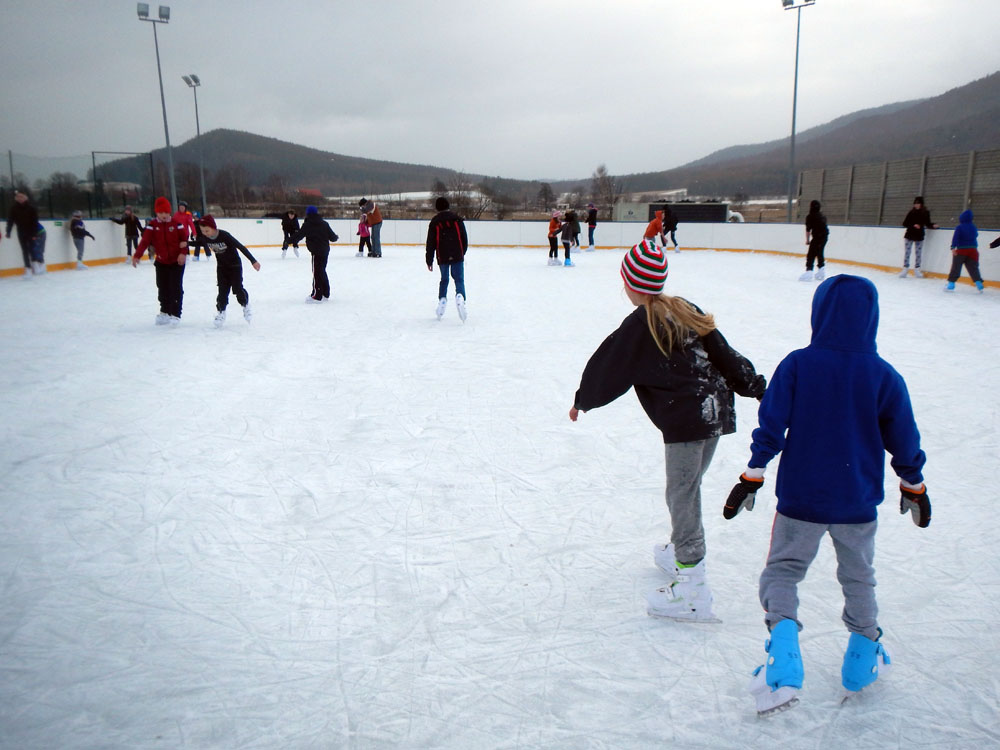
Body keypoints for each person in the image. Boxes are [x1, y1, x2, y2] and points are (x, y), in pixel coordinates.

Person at [722, 274, 928, 717]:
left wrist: (753, 472)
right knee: (859, 577)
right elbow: (905, 438)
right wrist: (914, 483)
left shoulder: (798, 364)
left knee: (783, 572)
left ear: (819, 314)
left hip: (802, 498)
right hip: (857, 500)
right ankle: (862, 656)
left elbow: (771, 425)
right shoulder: (884, 375)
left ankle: (783, 652)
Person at [569, 239, 766, 622]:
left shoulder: (642, 323)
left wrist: (584, 400)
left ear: (632, 284)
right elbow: (725, 354)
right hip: (714, 412)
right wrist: (754, 386)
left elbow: (610, 366)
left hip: (688, 420)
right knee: (687, 488)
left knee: (682, 493)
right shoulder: (685, 308)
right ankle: (681, 552)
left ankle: (691, 586)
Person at [132, 196, 189, 325]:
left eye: (166, 212)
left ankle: (175, 313)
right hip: (161, 262)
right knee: (162, 287)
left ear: (169, 212)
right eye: (161, 212)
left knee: (175, 287)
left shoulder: (177, 225)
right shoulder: (152, 226)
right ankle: (165, 311)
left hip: (176, 262)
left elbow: (184, 241)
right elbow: (145, 241)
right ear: (156, 212)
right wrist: (137, 255)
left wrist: (182, 254)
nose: (164, 215)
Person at [196, 215, 260, 327]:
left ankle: (245, 305)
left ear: (213, 228)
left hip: (235, 266)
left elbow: (241, 247)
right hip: (221, 268)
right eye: (203, 231)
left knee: (237, 289)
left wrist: (253, 261)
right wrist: (185, 244)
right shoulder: (205, 237)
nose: (205, 233)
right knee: (222, 292)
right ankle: (221, 312)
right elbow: (199, 243)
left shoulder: (224, 235)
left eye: (207, 230)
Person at [425, 196, 469, 321]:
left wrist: (429, 259)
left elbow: (430, 243)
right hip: (457, 254)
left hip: (442, 254)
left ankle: (442, 301)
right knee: (459, 279)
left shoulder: (435, 222)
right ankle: (460, 297)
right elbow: (464, 238)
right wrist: (462, 253)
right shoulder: (457, 219)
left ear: (437, 208)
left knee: (444, 280)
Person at [288, 205, 339, 302]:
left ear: (308, 214)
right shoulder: (324, 223)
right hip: (325, 251)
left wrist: (288, 241)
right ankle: (325, 293)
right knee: (322, 270)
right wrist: (336, 237)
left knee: (316, 272)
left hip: (316, 252)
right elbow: (332, 237)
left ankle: (317, 295)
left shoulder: (308, 224)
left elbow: (299, 235)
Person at [945, 209, 984, 293]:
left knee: (956, 267)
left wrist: (953, 247)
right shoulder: (973, 227)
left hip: (961, 250)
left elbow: (956, 238)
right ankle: (978, 283)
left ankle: (951, 284)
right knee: (973, 268)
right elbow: (976, 235)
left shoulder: (959, 227)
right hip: (973, 250)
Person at [898, 196, 938, 278]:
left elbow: (927, 223)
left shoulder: (925, 213)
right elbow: (904, 223)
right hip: (909, 235)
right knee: (907, 253)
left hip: (919, 235)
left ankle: (917, 270)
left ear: (921, 204)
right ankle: (905, 269)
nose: (916, 205)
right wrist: (913, 225)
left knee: (918, 254)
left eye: (918, 203)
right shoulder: (911, 212)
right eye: (915, 203)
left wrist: (933, 225)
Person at [5, 190, 40, 277]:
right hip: (21, 231)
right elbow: (10, 220)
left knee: (32, 249)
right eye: (18, 197)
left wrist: (35, 234)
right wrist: (8, 231)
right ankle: (27, 268)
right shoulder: (13, 208)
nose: (19, 198)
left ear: (25, 198)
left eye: (21, 196)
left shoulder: (31, 208)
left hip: (31, 231)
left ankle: (35, 263)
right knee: (24, 250)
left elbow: (35, 222)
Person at [801, 200, 828, 281]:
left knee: (811, 254)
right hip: (824, 237)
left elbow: (808, 230)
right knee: (820, 252)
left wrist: (807, 240)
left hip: (817, 237)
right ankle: (821, 271)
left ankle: (809, 272)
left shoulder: (810, 216)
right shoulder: (822, 216)